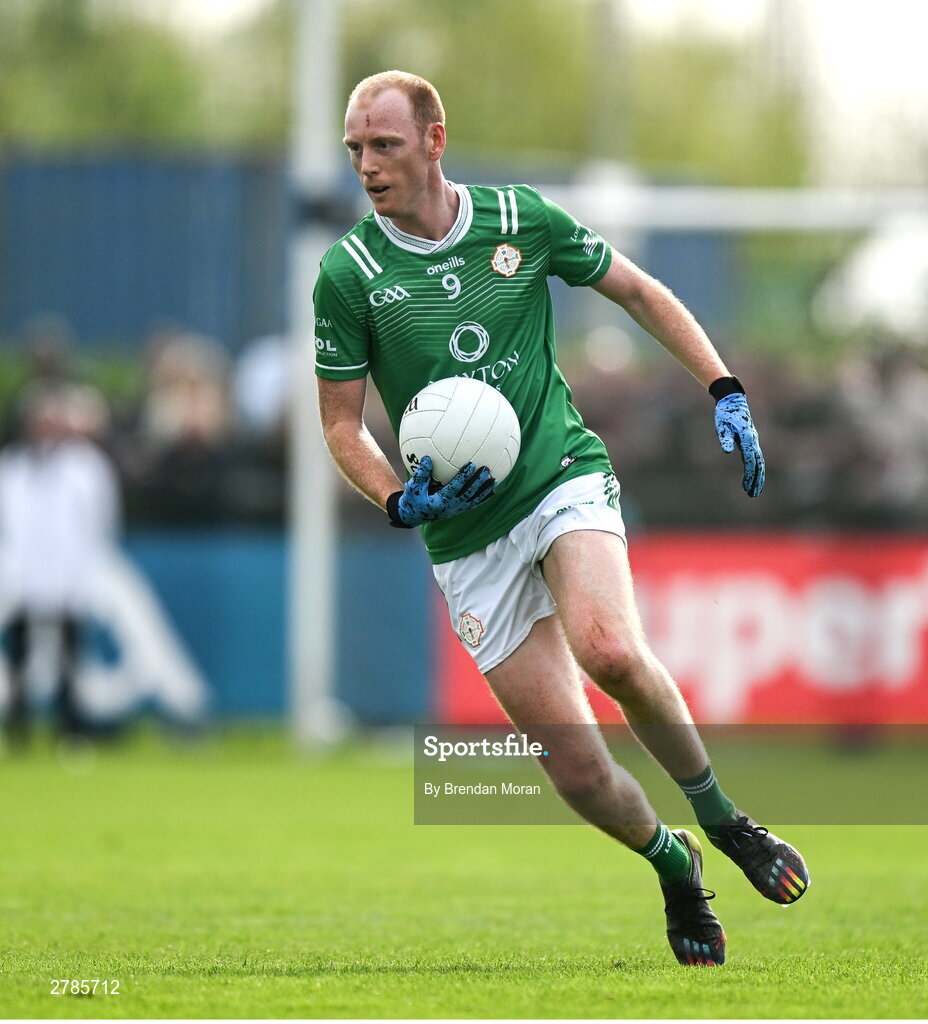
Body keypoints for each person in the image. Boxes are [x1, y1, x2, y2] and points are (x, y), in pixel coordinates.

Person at [313, 70, 809, 967]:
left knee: (609, 649)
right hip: (464, 536)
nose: (366, 165)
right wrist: (395, 497)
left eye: (383, 144)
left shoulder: (520, 219)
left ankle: (726, 820)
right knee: (574, 767)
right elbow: (341, 425)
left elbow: (639, 292)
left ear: (433, 139)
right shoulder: (348, 273)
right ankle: (674, 861)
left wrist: (723, 387)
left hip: (558, 477)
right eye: (354, 149)